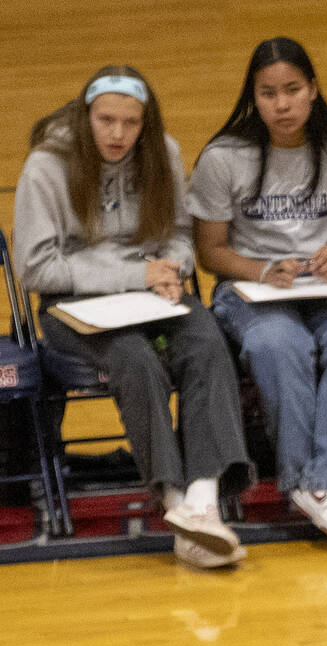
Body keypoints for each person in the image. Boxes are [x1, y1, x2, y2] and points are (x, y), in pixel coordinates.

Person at [14, 65, 252, 570]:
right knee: (134, 358)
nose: (118, 134)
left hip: (152, 293)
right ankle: (173, 501)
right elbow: (36, 267)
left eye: (130, 123)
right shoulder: (47, 164)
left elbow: (180, 236)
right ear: (87, 116)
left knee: (206, 341)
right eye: (106, 120)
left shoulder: (161, 152)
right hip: (72, 306)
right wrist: (135, 274)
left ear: (146, 122)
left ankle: (204, 502)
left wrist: (172, 270)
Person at [188, 38, 327, 549]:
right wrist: (260, 268)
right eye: (269, 93)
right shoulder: (224, 156)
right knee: (279, 344)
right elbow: (210, 251)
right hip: (252, 289)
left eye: (293, 90)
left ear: (313, 90)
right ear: (254, 96)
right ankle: (307, 484)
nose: (282, 104)